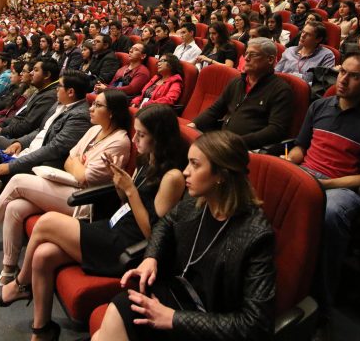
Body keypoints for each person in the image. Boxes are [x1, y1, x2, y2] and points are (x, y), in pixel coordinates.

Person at [0, 106, 187, 340]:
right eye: (136, 133)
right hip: (115, 226)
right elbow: (128, 204)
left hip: (129, 246)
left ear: (160, 136)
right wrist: (120, 186)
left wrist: (130, 190)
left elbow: (153, 235)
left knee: (47, 222)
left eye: (141, 135)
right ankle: (42, 332)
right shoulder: (147, 159)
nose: (135, 140)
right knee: (43, 255)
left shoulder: (173, 177)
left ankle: (20, 285)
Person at [93, 131, 275, 341]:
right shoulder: (197, 202)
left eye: (195, 165)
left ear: (221, 175)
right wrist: (151, 257)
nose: (185, 172)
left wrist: (174, 318)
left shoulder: (256, 235)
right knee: (115, 315)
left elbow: (255, 324)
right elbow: (165, 224)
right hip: (177, 294)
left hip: (208, 322)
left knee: (112, 323)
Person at [0, 89, 131, 266]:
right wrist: (75, 164)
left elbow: (85, 176)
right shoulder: (94, 130)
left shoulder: (119, 141)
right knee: (15, 206)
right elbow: (70, 159)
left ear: (112, 113)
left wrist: (76, 164)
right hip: (65, 181)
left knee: (16, 179)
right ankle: (8, 271)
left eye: (98, 105)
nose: (91, 108)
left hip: (85, 201)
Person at [286, 50, 360, 307]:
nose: (343, 80)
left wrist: (322, 185)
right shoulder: (319, 106)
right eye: (342, 72)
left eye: (354, 76)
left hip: (342, 187)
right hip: (308, 173)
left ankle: (321, 301)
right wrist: (287, 164)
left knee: (330, 214)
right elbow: (300, 148)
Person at [190, 38, 293, 151]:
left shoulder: (280, 90)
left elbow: (276, 130)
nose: (246, 58)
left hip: (249, 149)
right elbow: (215, 110)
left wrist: (236, 142)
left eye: (253, 55)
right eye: (246, 54)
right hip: (225, 142)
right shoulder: (237, 82)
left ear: (270, 59)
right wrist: (194, 125)